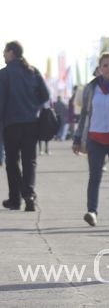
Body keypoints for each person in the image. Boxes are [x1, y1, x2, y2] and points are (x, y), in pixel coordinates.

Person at [71, 52, 109, 227]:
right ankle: (92, 211)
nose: (108, 68)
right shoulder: (90, 89)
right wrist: (77, 139)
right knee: (95, 176)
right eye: (105, 65)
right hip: (95, 139)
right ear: (99, 69)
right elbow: (84, 115)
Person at [0, 41, 50, 212]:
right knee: (30, 161)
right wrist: (32, 104)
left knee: (12, 162)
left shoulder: (4, 74)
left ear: (12, 52)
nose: (3, 54)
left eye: (4, 51)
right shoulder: (32, 71)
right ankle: (28, 195)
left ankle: (15, 199)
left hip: (11, 125)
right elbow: (45, 95)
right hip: (31, 124)